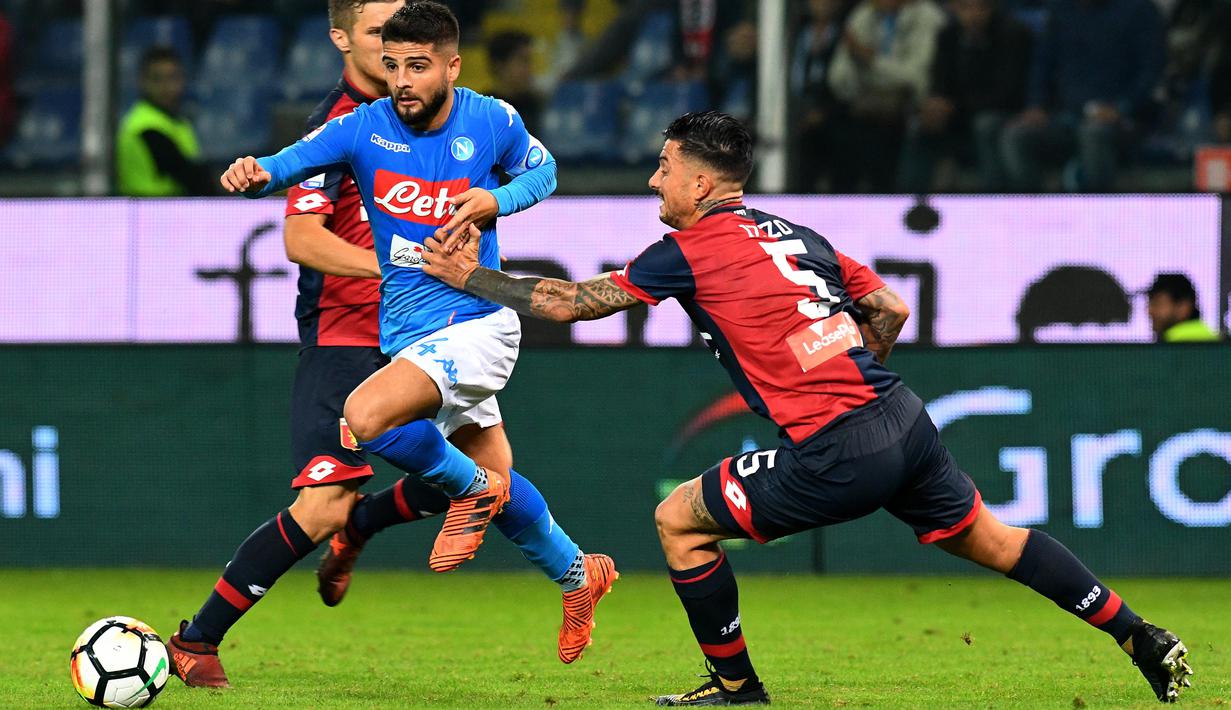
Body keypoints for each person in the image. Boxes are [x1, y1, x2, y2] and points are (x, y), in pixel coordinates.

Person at [421, 110, 1194, 705]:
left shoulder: (685, 251)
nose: (654, 182)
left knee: (677, 521)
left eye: (663, 168)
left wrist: (470, 280)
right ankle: (1137, 634)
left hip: (840, 447)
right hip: (903, 421)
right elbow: (888, 309)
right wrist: (850, 371)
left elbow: (570, 302)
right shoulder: (798, 234)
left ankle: (733, 688)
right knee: (993, 541)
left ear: (699, 183)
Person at [166, 2, 616, 689]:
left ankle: (199, 640)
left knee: (367, 419)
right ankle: (578, 573)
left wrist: (491, 203)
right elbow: (289, 167)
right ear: (349, 41)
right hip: (396, 331)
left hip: (477, 320)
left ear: (449, 64)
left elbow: (543, 172)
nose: (398, 72)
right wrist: (254, 171)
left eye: (413, 61)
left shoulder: (489, 118)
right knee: (496, 477)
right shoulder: (357, 126)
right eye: (389, 55)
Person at [1000, 0, 1165, 192]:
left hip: (1125, 120)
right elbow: (1042, 64)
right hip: (1065, 117)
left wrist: (1121, 107)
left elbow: (1151, 70)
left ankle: (1096, 216)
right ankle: (1031, 213)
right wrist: (1036, 105)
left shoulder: (1139, 9)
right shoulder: (1060, 9)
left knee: (1093, 133)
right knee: (1016, 136)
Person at [897, 0, 1032, 192]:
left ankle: (993, 201)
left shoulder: (1013, 34)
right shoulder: (948, 35)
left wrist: (954, 106)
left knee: (985, 125)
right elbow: (940, 82)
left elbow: (1009, 93)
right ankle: (913, 203)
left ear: (991, 8)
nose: (973, 15)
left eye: (980, 7)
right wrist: (934, 104)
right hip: (958, 114)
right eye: (965, 8)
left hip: (1001, 114)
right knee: (920, 125)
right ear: (954, 8)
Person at [826, 0, 948, 191]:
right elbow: (838, 78)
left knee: (886, 132)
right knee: (834, 132)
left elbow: (916, 78)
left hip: (911, 107)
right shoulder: (864, 14)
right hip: (862, 105)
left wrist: (871, 61)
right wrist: (866, 89)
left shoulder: (928, 16)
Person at [116, 47, 213, 196]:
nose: (166, 87)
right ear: (142, 82)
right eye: (157, 79)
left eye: (172, 78)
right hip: (147, 211)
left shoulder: (178, 122)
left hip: (169, 211)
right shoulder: (145, 127)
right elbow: (192, 178)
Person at [486, 30, 545, 133]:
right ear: (500, 65)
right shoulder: (482, 110)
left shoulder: (537, 106)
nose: (529, 69)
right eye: (522, 61)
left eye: (530, 61)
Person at [1146, 273, 1219, 343]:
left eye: (1158, 304)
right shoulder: (1211, 339)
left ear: (1183, 307)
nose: (1149, 311)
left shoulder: (1179, 342)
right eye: (1150, 304)